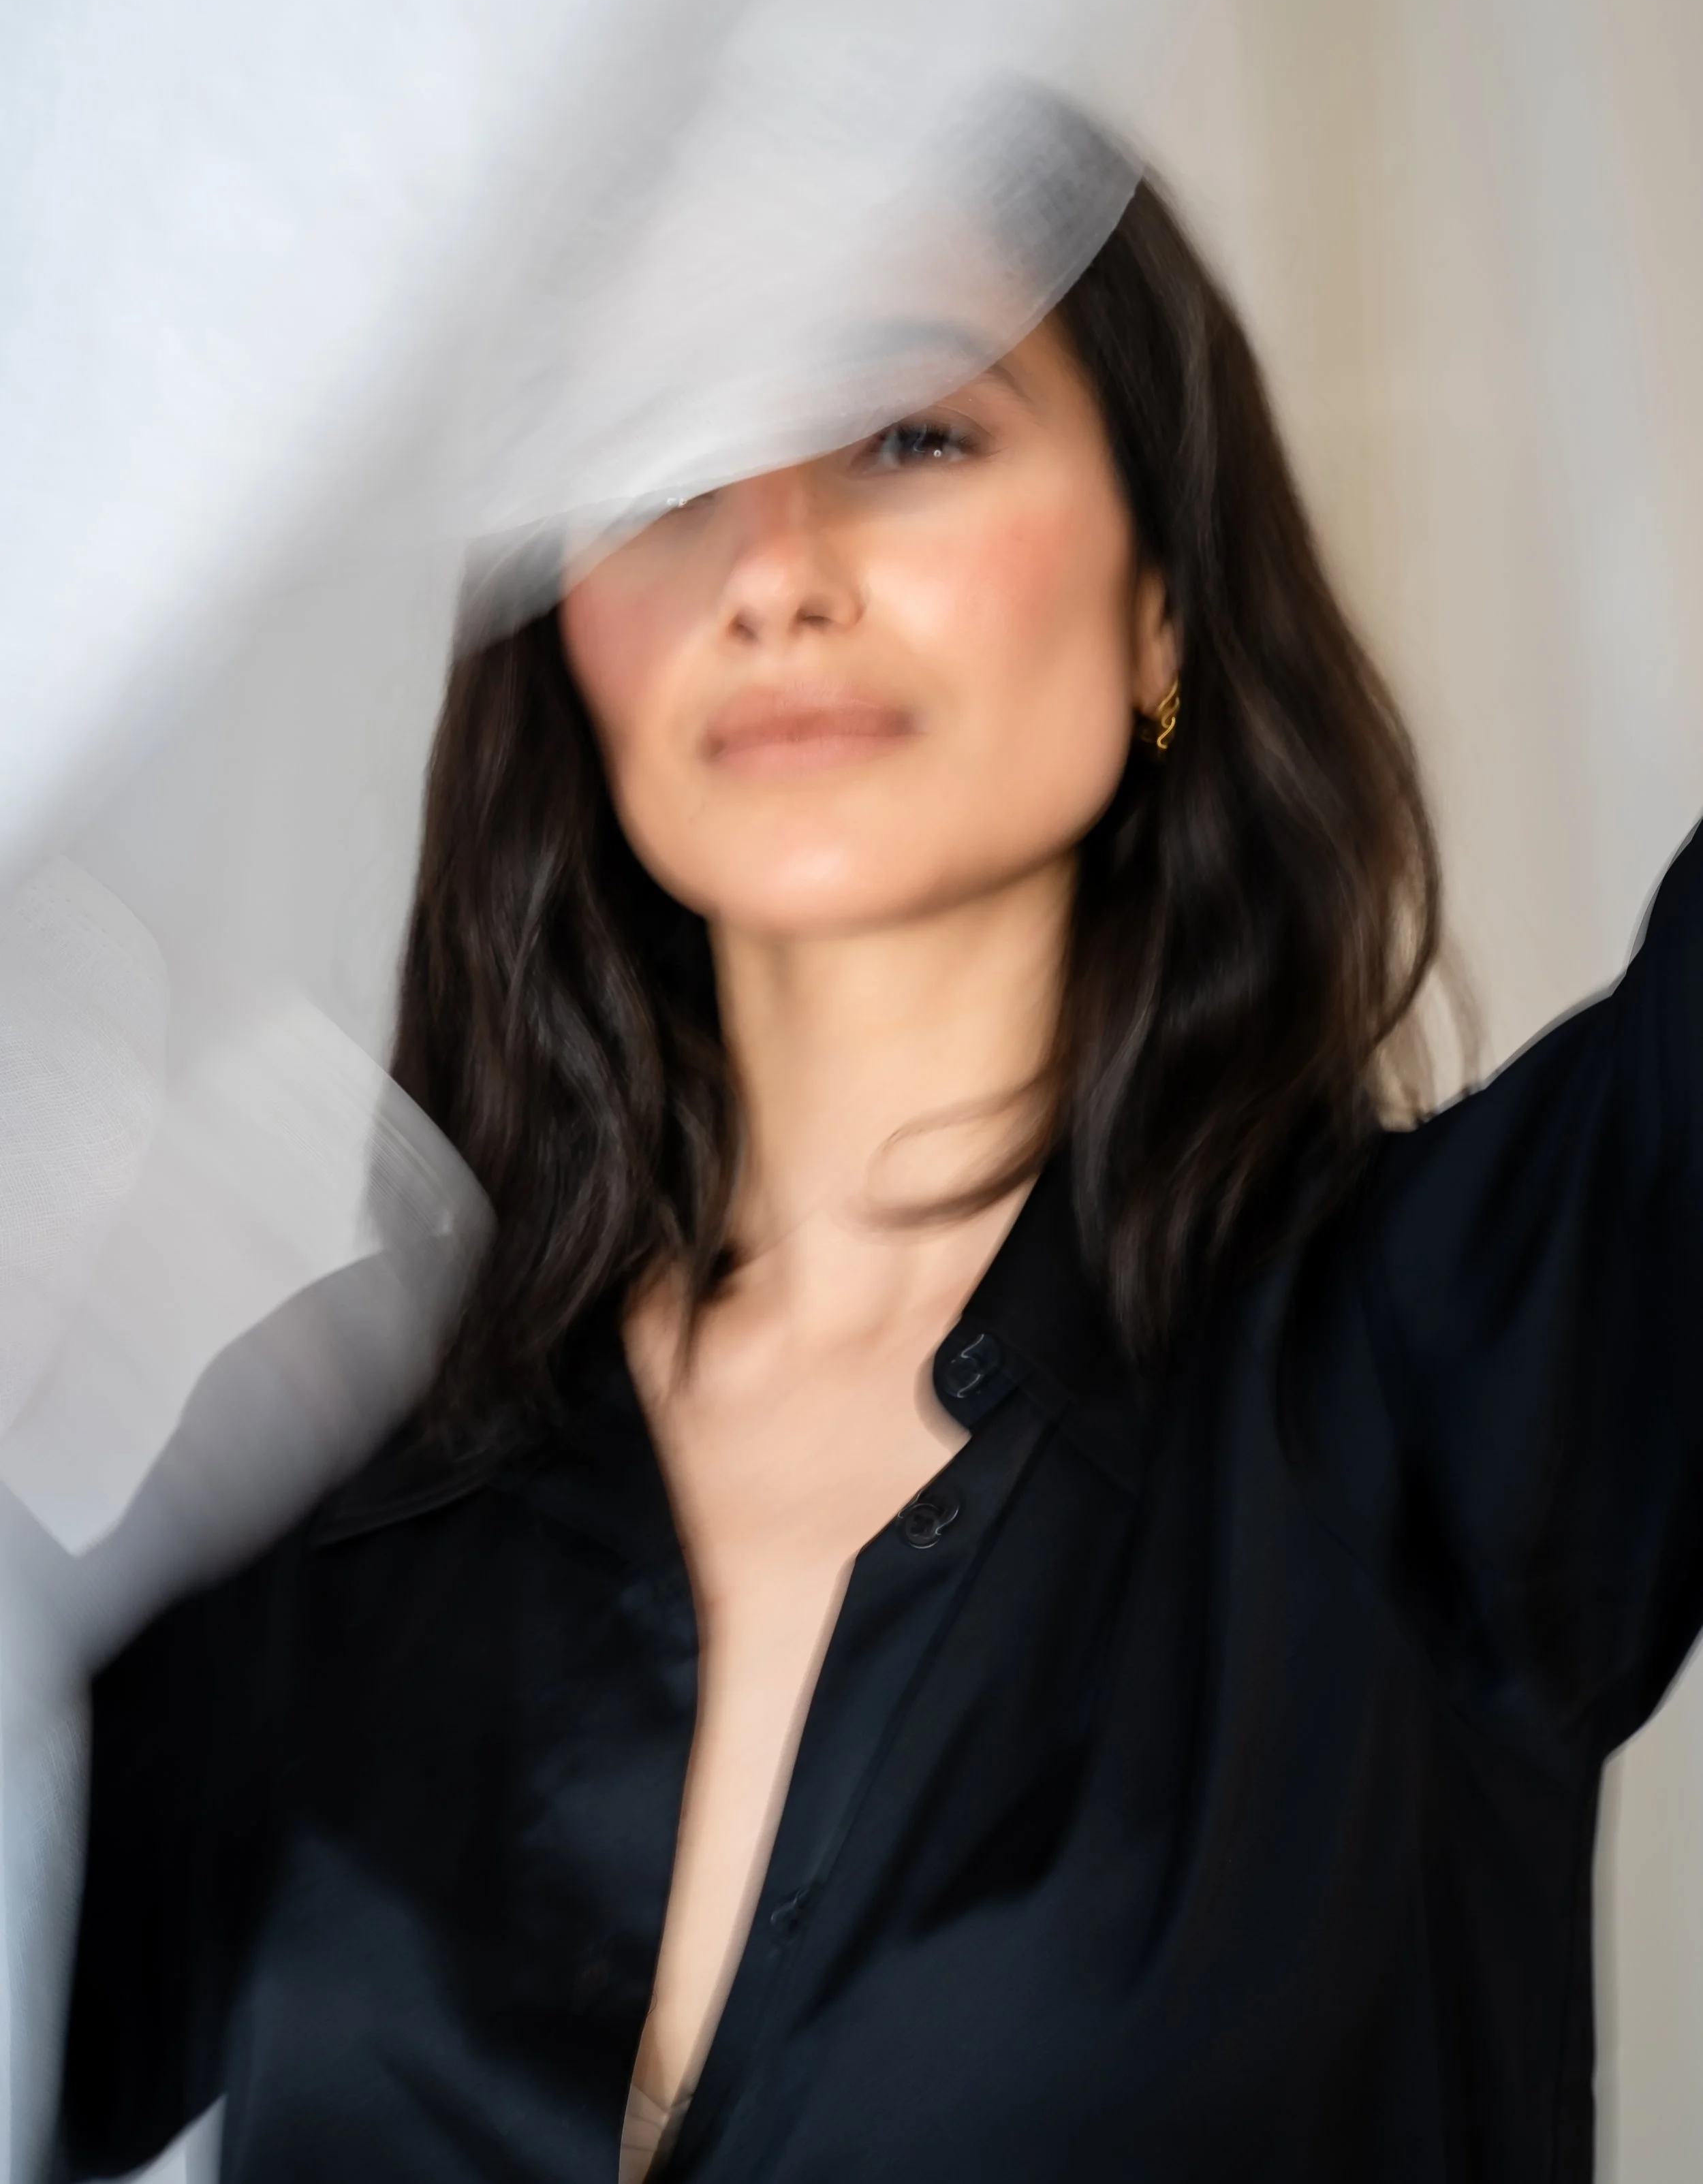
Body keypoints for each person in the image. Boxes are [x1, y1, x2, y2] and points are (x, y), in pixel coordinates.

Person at [57, 176, 1702, 2184]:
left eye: (911, 434)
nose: (773, 570)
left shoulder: (1451, 1351)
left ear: (1160, 595)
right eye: (662, 469)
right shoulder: (340, 1481)